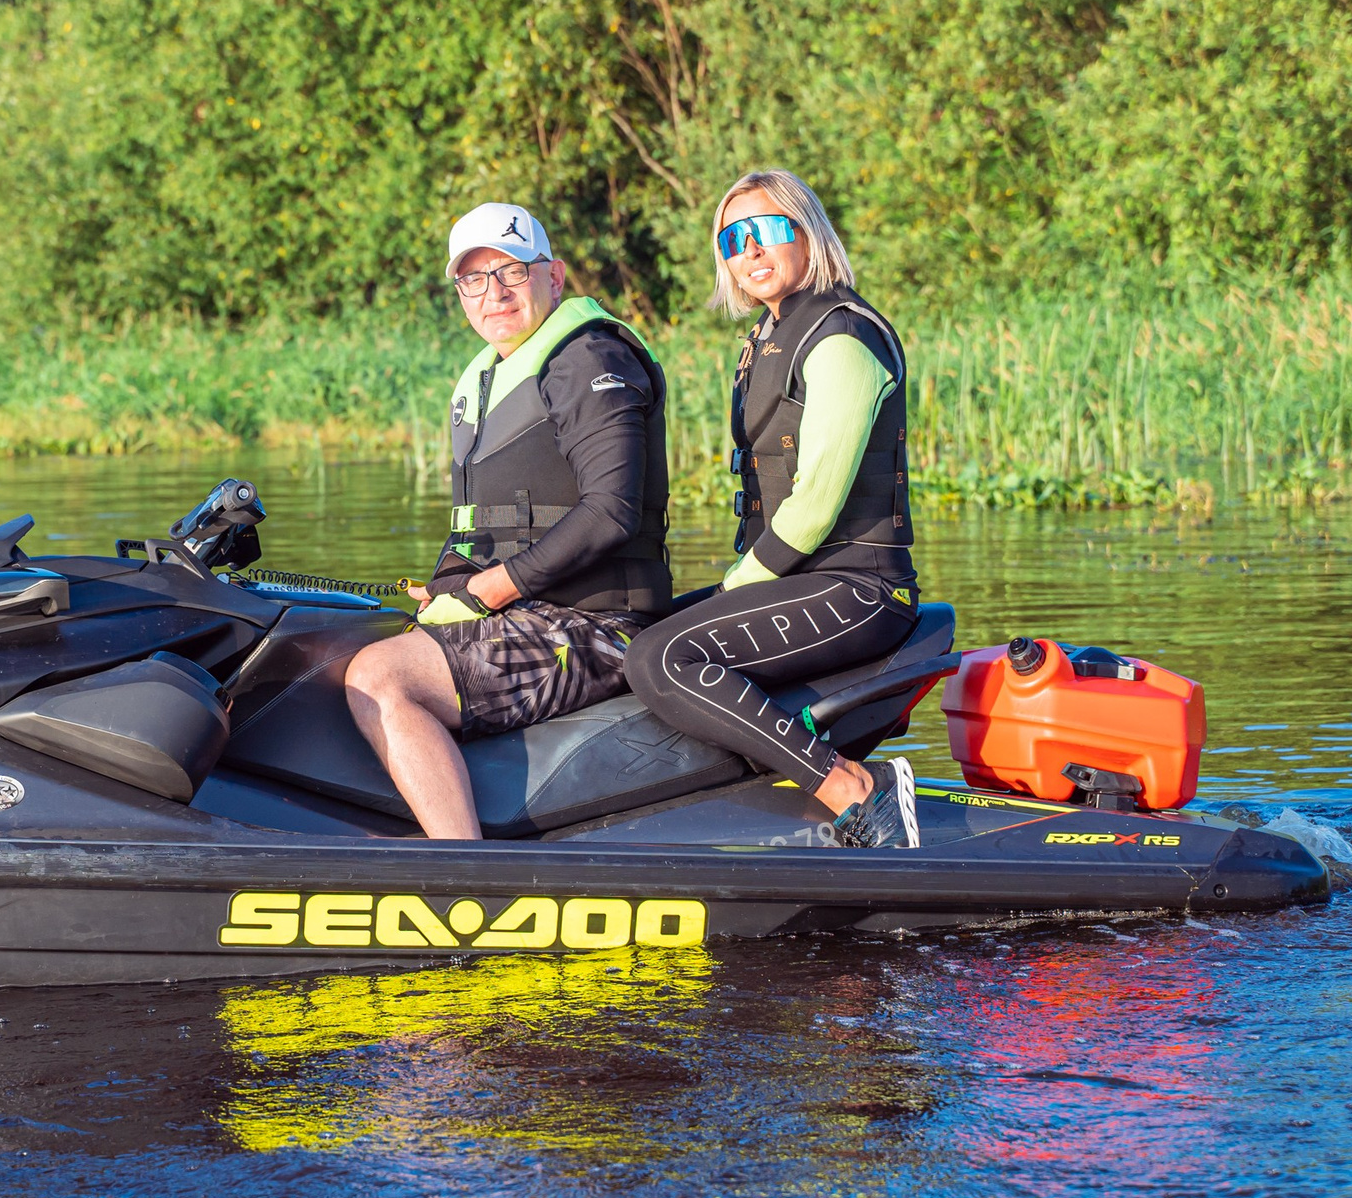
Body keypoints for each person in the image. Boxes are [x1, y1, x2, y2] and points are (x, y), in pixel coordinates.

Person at [343, 203, 673, 838]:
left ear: (554, 276)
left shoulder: (587, 359)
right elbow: (481, 527)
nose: (493, 294)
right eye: (473, 279)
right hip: (532, 613)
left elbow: (612, 511)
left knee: (379, 675)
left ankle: (464, 872)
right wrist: (448, 585)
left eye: (512, 273)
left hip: (598, 627)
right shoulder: (488, 378)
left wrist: (496, 587)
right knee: (330, 648)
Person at [622, 169, 924, 847]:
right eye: (734, 238)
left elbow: (816, 501)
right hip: (805, 581)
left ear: (807, 233)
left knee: (662, 658)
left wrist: (735, 584)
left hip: (861, 588)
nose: (750, 251)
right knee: (633, 633)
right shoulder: (767, 336)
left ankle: (846, 785)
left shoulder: (842, 336)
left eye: (766, 231)